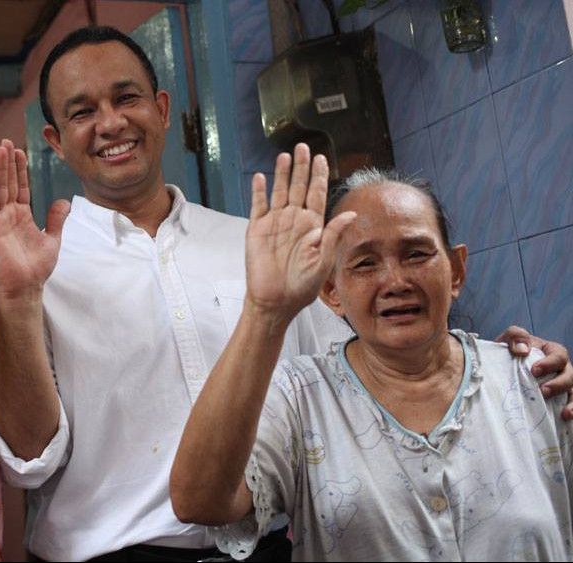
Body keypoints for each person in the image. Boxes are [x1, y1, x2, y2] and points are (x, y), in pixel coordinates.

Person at [0, 25, 573, 562]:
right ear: (55, 140)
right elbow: (28, 459)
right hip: (109, 556)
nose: (110, 123)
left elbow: (373, 368)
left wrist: (500, 375)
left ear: (161, 110)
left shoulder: (252, 246)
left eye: (126, 97)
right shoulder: (27, 265)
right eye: (82, 111)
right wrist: (20, 296)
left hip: (269, 546)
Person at [170, 165, 573, 560]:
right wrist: (264, 312)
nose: (395, 281)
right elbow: (199, 501)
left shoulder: (534, 381)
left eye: (416, 254)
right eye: (365, 263)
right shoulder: (300, 401)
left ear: (456, 270)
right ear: (331, 290)